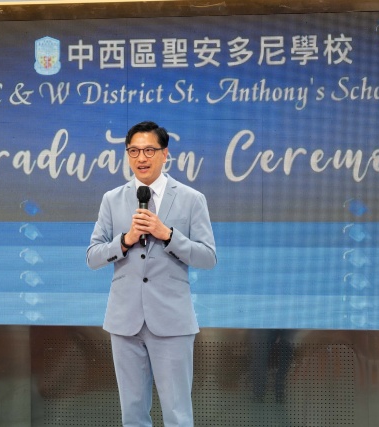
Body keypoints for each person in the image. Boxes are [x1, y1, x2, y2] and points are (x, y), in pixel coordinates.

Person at [86, 121, 217, 427]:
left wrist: (168, 235)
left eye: (148, 150)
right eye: (133, 151)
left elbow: (208, 257)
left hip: (172, 320)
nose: (141, 158)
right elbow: (92, 257)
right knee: (132, 415)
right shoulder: (112, 199)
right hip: (124, 321)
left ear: (164, 154)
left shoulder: (191, 199)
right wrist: (125, 241)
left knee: (177, 414)